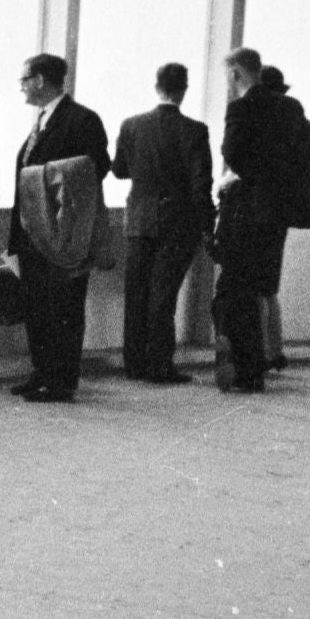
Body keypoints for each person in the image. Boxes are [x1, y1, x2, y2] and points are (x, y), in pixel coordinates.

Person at [215, 46, 310, 392]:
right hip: (278, 211)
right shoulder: (289, 106)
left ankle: (246, 370)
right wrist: (281, 179)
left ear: (235, 73)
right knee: (262, 285)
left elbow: (231, 152)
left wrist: (254, 177)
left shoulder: (241, 108)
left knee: (236, 289)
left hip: (247, 210)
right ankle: (256, 366)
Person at [9, 52, 107, 402]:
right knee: (37, 306)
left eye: (23, 79)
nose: (20, 87)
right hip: (34, 235)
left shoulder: (83, 120)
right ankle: (42, 373)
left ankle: (61, 381)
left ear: (40, 80)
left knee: (64, 308)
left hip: (66, 236)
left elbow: (94, 169)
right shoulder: (42, 121)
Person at [111, 60, 213, 383]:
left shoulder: (131, 125)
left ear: (156, 88)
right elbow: (201, 185)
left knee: (136, 292)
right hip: (178, 222)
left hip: (139, 219)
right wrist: (208, 223)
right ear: (184, 91)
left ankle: (134, 364)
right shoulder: (196, 131)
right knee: (163, 295)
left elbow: (119, 170)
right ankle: (159, 366)